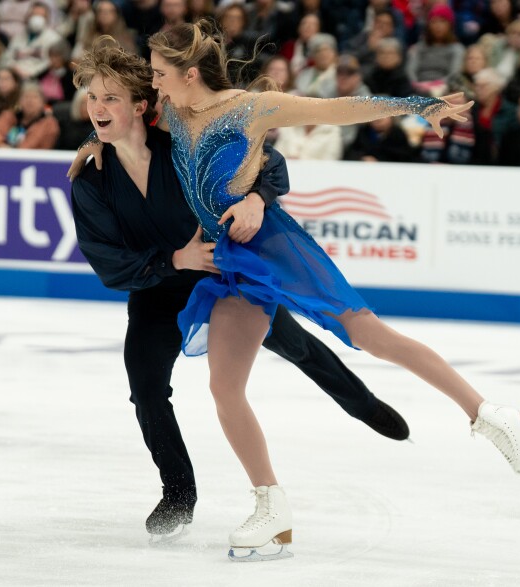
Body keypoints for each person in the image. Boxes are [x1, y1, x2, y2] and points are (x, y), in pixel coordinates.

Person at [75, 22, 520, 559]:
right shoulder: (172, 113)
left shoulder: (252, 108)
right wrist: (92, 141)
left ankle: (493, 416)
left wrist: (417, 104)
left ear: (187, 73)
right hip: (226, 262)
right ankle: (272, 510)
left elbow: (338, 108)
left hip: (271, 244)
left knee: (366, 333)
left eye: (159, 74)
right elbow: (118, 117)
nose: (153, 84)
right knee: (224, 388)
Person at [67, 39, 409, 540]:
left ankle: (360, 401)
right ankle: (178, 491)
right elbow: (108, 263)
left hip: (225, 276)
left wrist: (255, 197)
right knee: (144, 385)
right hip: (159, 287)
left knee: (296, 344)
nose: (97, 109)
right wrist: (173, 259)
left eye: (111, 98)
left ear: (140, 105)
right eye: (92, 98)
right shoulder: (91, 180)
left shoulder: (180, 142)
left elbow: (266, 163)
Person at [0, 82, 59, 148]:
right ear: (19, 101)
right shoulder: (9, 116)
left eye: (34, 97)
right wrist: (1, 146)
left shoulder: (49, 123)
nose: (30, 101)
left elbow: (30, 147)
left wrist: (13, 153)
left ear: (43, 102)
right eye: (26, 97)